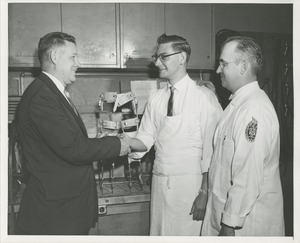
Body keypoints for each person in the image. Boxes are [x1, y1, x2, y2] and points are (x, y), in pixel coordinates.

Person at [15, 32, 130, 235]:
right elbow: (74, 149)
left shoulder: (51, 92)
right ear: (54, 57)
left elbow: (67, 143)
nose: (78, 63)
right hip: (56, 215)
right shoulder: (43, 96)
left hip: (64, 208)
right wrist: (120, 143)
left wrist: (97, 142)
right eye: (73, 57)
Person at [127, 34, 222, 236]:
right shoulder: (156, 98)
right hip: (160, 184)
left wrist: (205, 192)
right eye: (156, 56)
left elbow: (212, 150)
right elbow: (145, 138)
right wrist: (122, 143)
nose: (156, 62)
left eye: (163, 57)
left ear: (182, 58)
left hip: (191, 188)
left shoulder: (203, 97)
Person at [201, 36, 285, 236]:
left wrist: (229, 225)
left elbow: (248, 174)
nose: (218, 70)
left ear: (243, 67)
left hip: (245, 226)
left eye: (223, 63)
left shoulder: (253, 109)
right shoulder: (238, 104)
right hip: (224, 214)